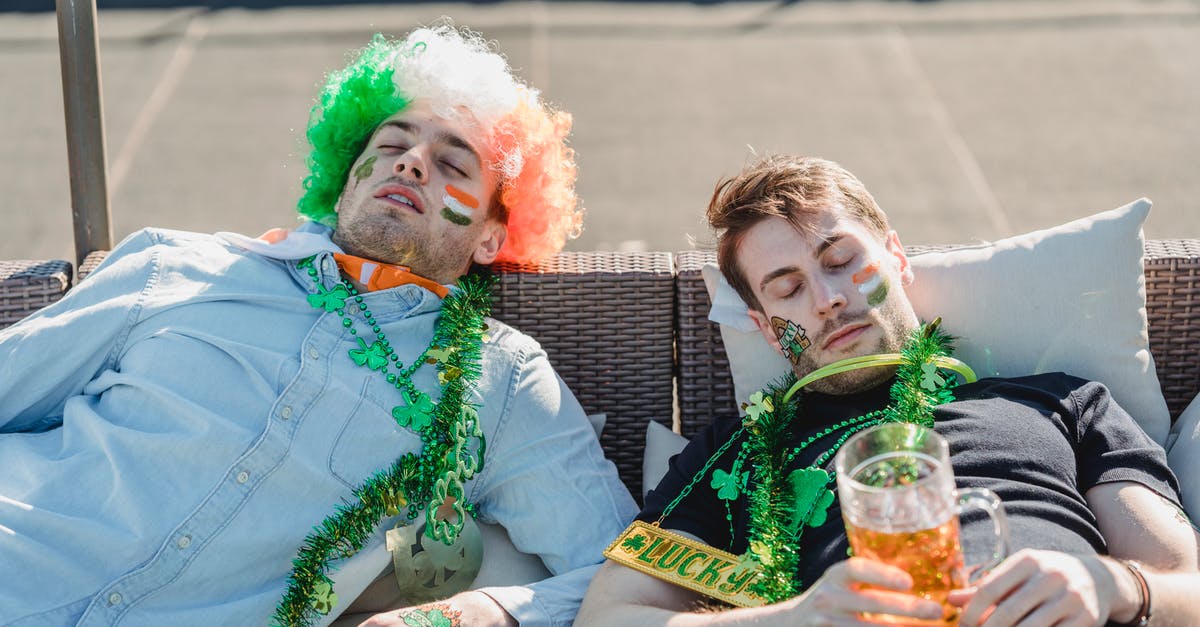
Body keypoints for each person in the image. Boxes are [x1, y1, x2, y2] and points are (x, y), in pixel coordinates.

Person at [0, 25, 637, 627]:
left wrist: (494, 611)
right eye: (391, 144)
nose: (412, 162)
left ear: (494, 236)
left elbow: (622, 569)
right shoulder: (176, 266)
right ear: (341, 180)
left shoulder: (501, 382)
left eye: (453, 165)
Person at [577, 155, 1200, 626]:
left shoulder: (1060, 400)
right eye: (788, 289)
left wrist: (1112, 585)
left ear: (897, 258)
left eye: (842, 258)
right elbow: (608, 614)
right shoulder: (735, 454)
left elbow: (1187, 582)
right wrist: (790, 620)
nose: (828, 299)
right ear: (767, 331)